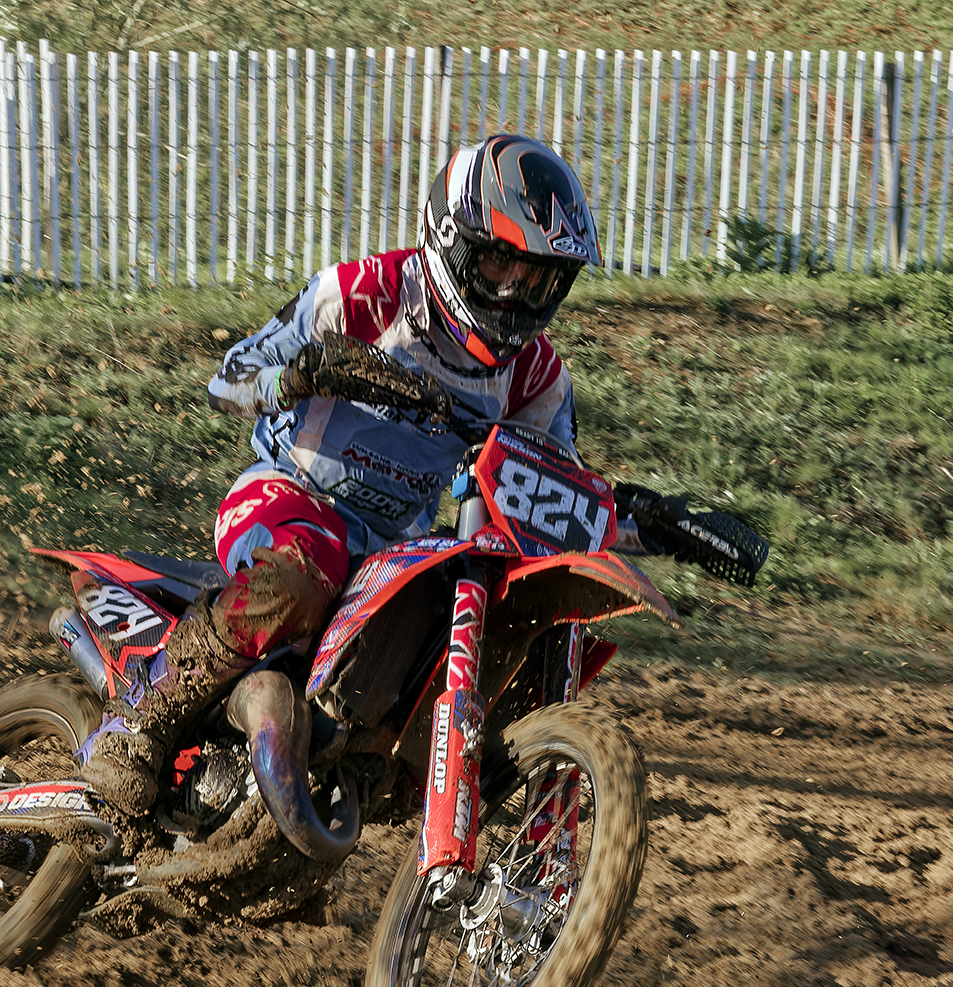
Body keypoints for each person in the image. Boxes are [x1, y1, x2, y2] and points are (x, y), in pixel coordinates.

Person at [79, 133, 604, 816]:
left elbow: (561, 486)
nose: (514, 294)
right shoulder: (364, 293)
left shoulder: (537, 376)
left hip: (395, 554)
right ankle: (138, 724)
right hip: (290, 496)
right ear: (454, 238)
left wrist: (658, 521)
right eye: (502, 263)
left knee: (514, 605)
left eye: (537, 281)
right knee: (306, 570)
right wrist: (297, 375)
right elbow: (228, 377)